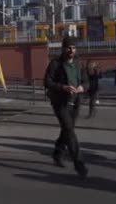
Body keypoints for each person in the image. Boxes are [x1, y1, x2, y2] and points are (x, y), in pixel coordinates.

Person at [44, 36, 88, 178]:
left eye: (74, 48)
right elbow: (47, 81)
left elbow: (86, 81)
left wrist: (82, 87)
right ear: (63, 49)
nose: (71, 50)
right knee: (69, 130)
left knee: (67, 130)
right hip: (60, 102)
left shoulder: (78, 64)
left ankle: (57, 153)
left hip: (75, 102)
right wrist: (62, 87)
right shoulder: (56, 63)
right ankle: (79, 163)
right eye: (69, 47)